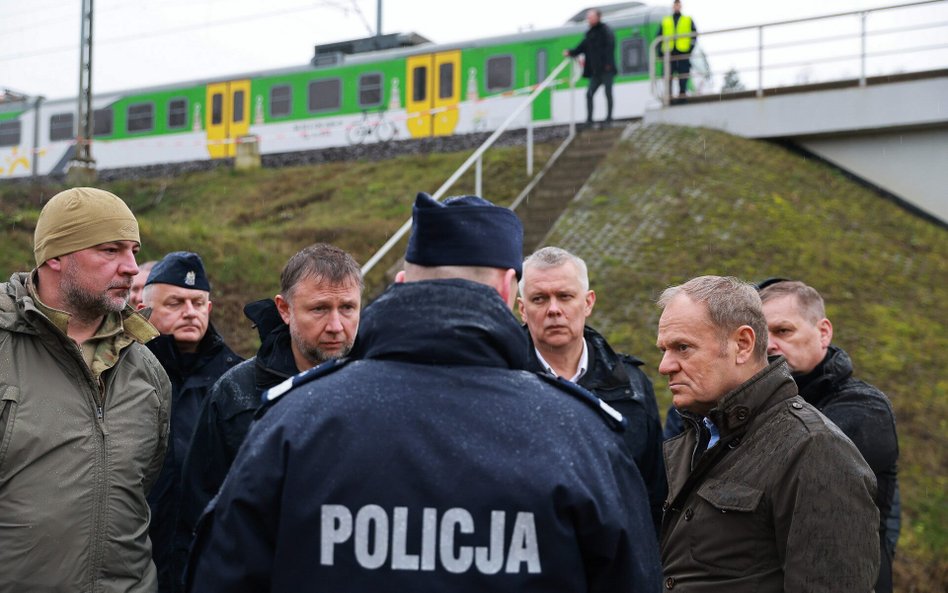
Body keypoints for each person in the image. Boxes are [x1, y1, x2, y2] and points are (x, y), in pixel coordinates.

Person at [186, 193, 661, 593]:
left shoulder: (293, 422)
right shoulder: (579, 434)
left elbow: (220, 573)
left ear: (403, 282)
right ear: (507, 289)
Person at [656, 275, 879, 592]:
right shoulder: (697, 434)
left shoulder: (815, 448)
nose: (665, 365)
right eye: (664, 349)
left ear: (743, 344)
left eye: (683, 348)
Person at [0, 187, 171, 593]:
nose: (131, 267)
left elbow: (145, 489)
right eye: (110, 250)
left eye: (133, 250)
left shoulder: (147, 370)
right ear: (55, 257)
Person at [178, 243, 363, 574]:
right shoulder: (235, 394)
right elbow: (199, 516)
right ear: (285, 309)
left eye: (347, 308)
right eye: (319, 309)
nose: (336, 325)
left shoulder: (380, 393)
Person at [759, 279, 899, 593]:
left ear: (823, 332)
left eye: (783, 331)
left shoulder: (865, 409)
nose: (768, 345)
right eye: (759, 335)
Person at [518, 246, 666, 531]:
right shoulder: (499, 382)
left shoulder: (632, 386)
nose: (553, 309)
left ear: (587, 303)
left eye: (565, 296)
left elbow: (653, 491)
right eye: (539, 299)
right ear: (522, 309)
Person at [138, 251, 242, 593]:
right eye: (176, 302)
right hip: (134, 564)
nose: (190, 312)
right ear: (146, 311)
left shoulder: (238, 381)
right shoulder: (122, 373)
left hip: (209, 566)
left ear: (209, 310)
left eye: (198, 303)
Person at [564, 8, 616, 125]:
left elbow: (610, 48)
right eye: (588, 17)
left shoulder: (606, 31)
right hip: (595, 72)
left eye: (590, 17)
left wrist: (608, 64)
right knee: (589, 94)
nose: (588, 19)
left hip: (607, 70)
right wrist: (570, 52)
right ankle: (589, 119)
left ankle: (609, 118)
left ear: (598, 17)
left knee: (608, 93)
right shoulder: (589, 34)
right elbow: (581, 48)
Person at [658, 1, 698, 100]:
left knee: (683, 75)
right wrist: (659, 52)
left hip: (683, 52)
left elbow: (694, 35)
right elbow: (659, 36)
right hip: (669, 53)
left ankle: (682, 95)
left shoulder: (687, 19)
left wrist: (689, 50)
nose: (677, 7)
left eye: (678, 5)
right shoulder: (665, 21)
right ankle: (669, 97)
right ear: (673, 6)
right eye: (675, 5)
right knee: (668, 75)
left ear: (681, 6)